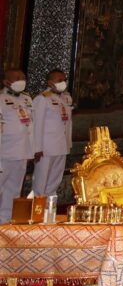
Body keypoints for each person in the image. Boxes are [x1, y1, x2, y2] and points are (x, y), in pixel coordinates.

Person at [31, 69, 73, 199]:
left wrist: (68, 144)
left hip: (61, 147)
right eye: (59, 80)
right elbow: (37, 125)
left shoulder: (64, 99)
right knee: (40, 183)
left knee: (54, 182)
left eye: (64, 80)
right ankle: (37, 213)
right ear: (50, 82)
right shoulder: (42, 99)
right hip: (46, 149)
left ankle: (49, 213)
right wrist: (37, 148)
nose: (63, 82)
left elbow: (67, 123)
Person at [0, 70, 34, 224]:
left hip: (22, 151)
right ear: (6, 81)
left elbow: (31, 127)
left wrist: (33, 149)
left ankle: (5, 220)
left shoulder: (27, 99)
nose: (22, 81)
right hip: (4, 152)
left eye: (23, 78)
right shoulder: (1, 99)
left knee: (14, 189)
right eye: (17, 78)